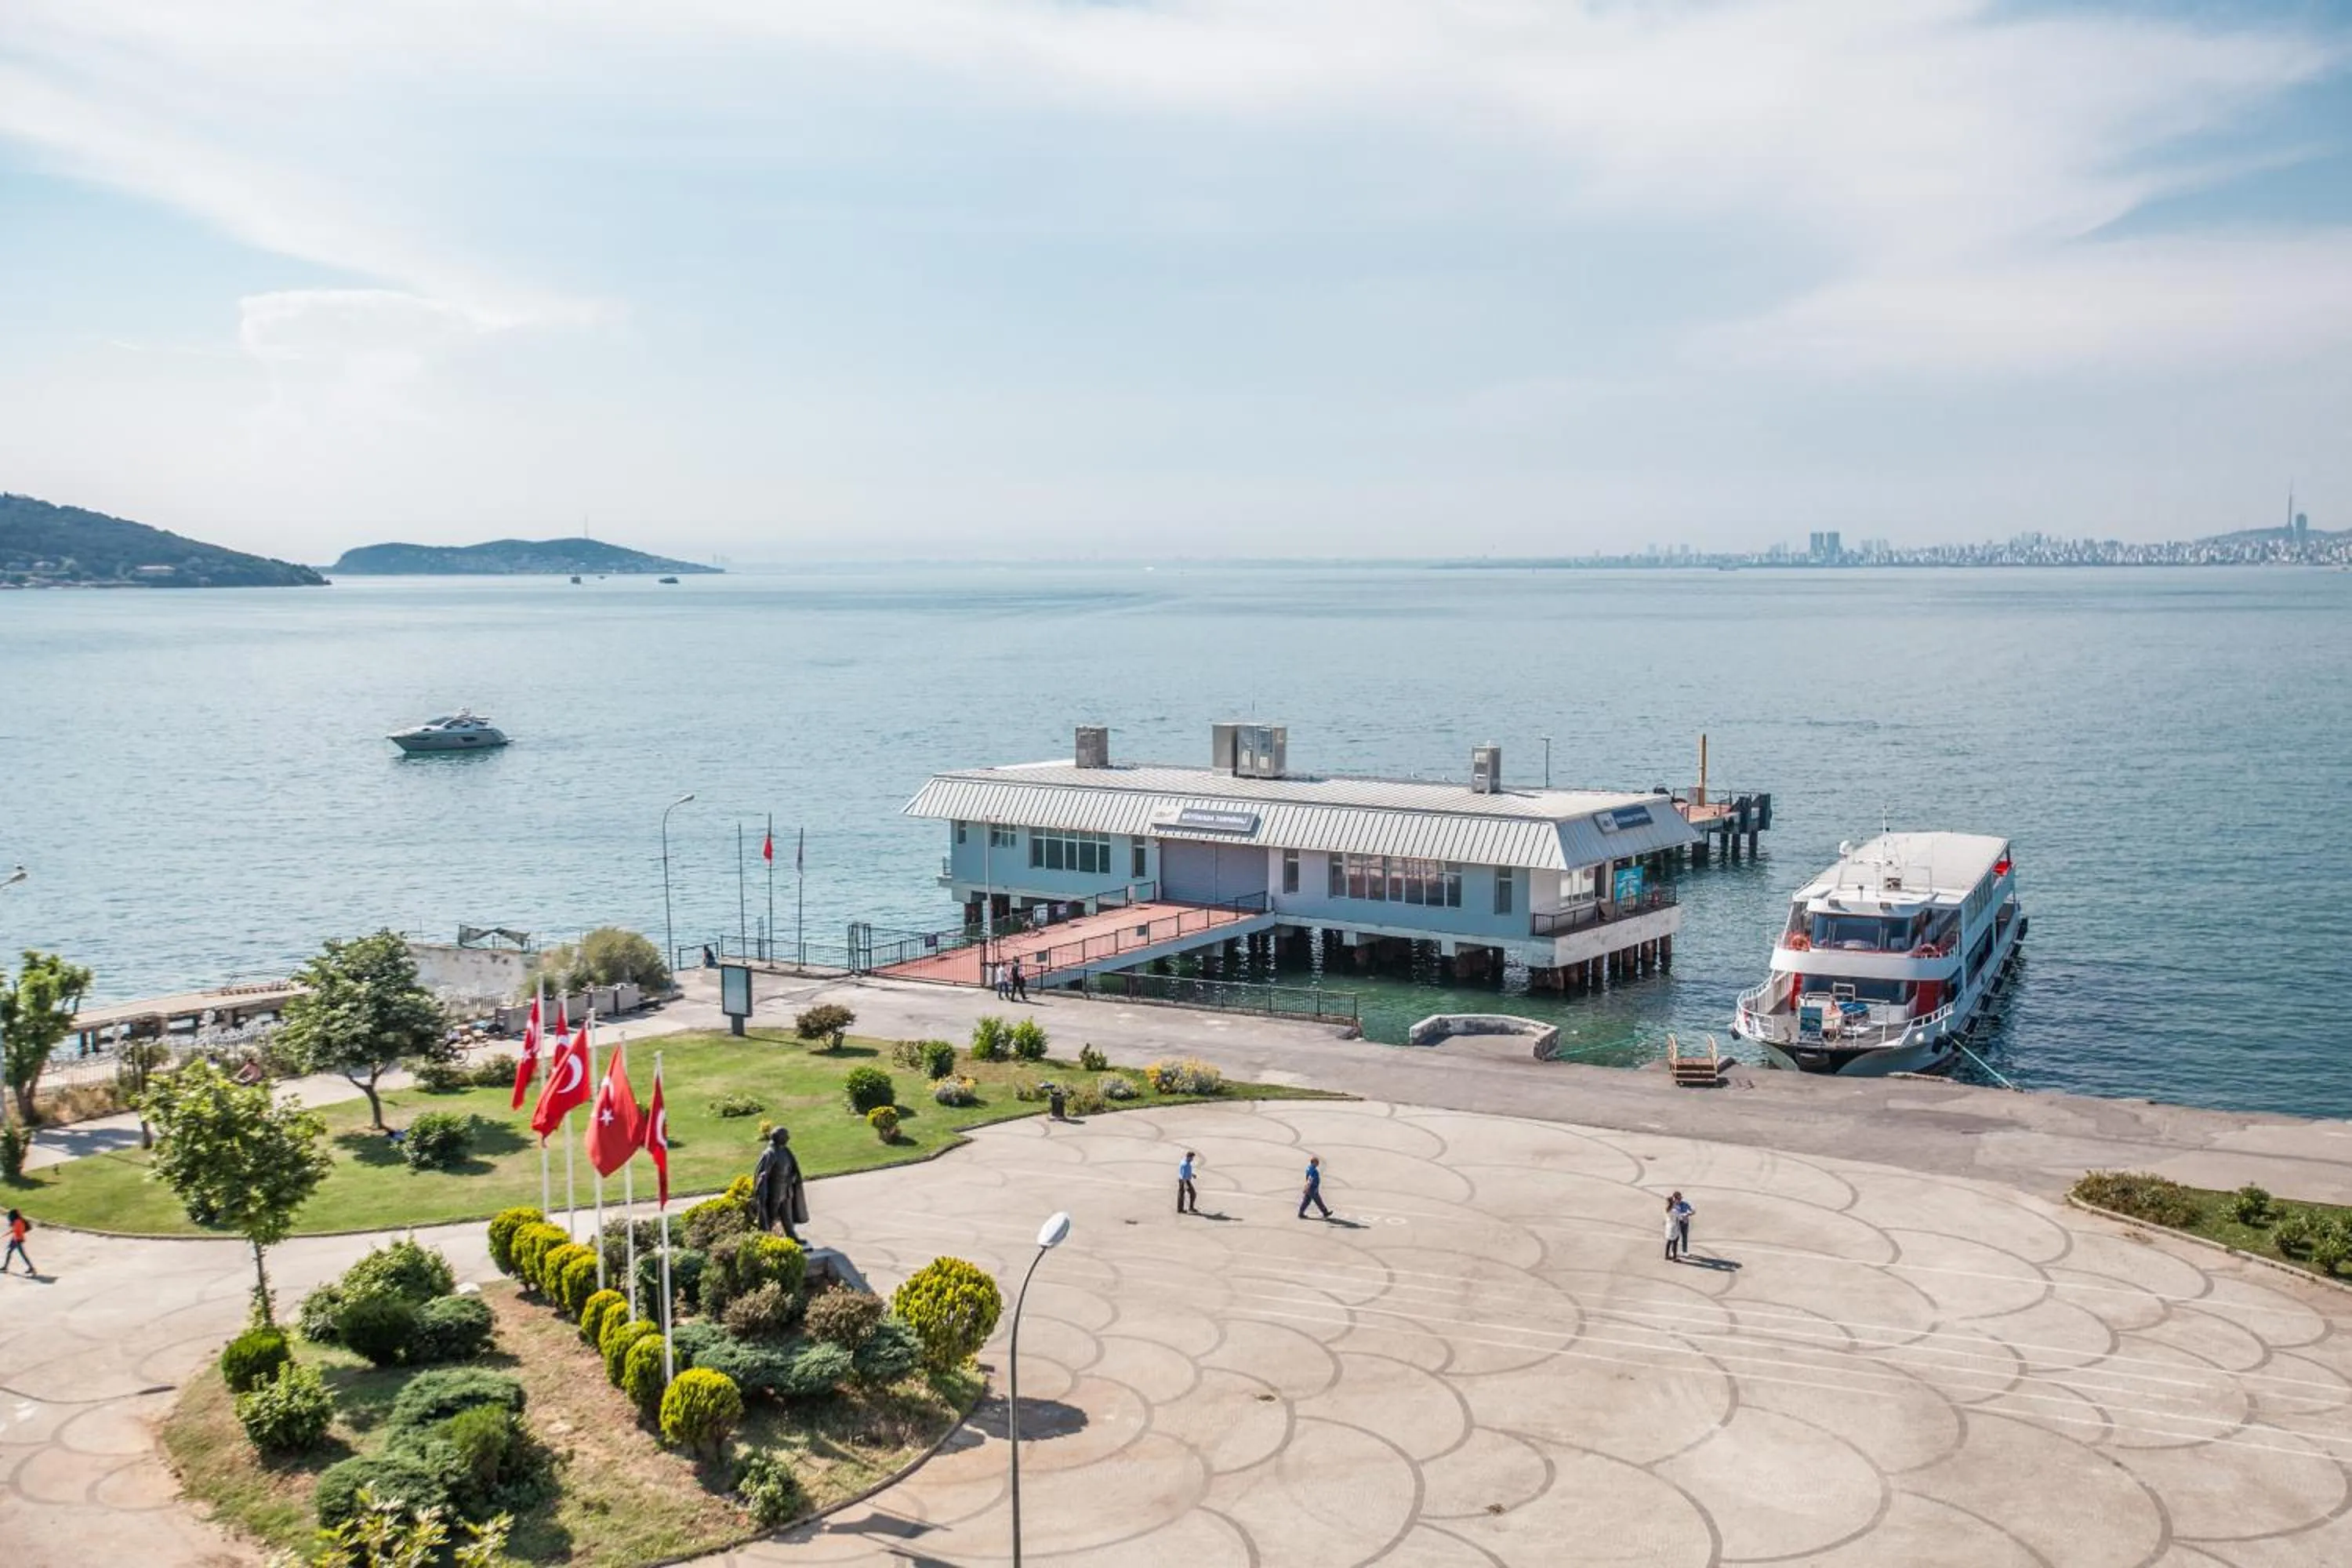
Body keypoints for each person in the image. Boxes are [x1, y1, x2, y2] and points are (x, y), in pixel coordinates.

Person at [1298, 1155, 1331, 1221]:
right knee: (1318, 1201)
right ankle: (1325, 1212)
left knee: (1306, 1201)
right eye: (1317, 1162)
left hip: (1310, 1188)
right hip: (1312, 1189)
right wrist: (1307, 1187)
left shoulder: (1309, 1168)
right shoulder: (1313, 1170)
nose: (1318, 1163)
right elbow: (1310, 1179)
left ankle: (1301, 1213)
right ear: (1313, 1162)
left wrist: (1306, 1188)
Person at [4, 1209, 33, 1277]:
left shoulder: (18, 1222)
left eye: (10, 1215)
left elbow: (18, 1230)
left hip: (18, 1240)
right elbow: (17, 1230)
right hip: (15, 1239)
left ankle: (31, 1268)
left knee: (22, 1255)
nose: (9, 1217)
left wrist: (13, 1229)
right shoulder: (18, 1221)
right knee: (9, 1252)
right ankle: (5, 1267)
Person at [1177, 1150, 1199, 1214]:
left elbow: (1185, 1172)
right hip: (1184, 1181)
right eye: (1192, 1158)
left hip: (1184, 1180)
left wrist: (1192, 1174)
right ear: (1189, 1157)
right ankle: (1190, 1208)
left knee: (1181, 1194)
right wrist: (1185, 1184)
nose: (1192, 1159)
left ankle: (1180, 1209)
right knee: (1193, 1194)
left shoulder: (1184, 1161)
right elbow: (1183, 1175)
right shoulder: (1185, 1164)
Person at [1673, 1192, 1694, 1258]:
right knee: (1675, 1237)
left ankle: (1684, 1251)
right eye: (1678, 1199)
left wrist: (1689, 1213)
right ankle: (1673, 1251)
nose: (1680, 1200)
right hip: (1676, 1223)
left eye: (1680, 1198)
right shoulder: (1673, 1205)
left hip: (1684, 1222)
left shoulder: (1685, 1204)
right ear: (1675, 1199)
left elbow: (1693, 1210)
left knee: (1684, 1237)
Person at [1662, 1192, 1681, 1261]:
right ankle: (1674, 1258)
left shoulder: (1667, 1209)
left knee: (1669, 1241)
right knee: (1675, 1242)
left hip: (1668, 1226)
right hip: (1674, 1227)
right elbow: (1680, 1218)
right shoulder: (1675, 1211)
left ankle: (1666, 1255)